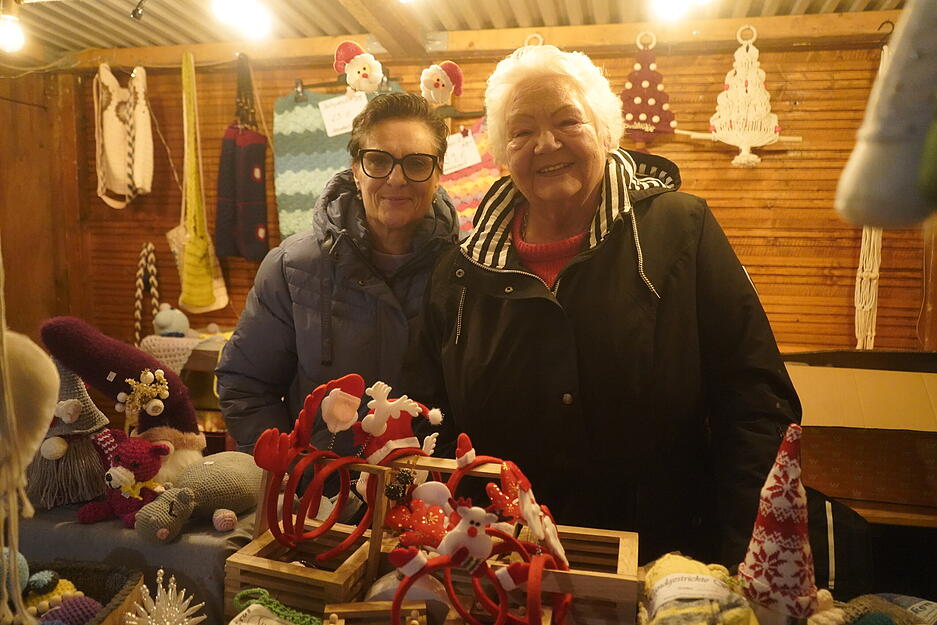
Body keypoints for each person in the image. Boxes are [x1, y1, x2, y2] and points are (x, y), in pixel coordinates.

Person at [403, 45, 801, 567]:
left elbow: (755, 405)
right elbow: (430, 422)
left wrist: (748, 562)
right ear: (502, 152)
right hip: (505, 565)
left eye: (568, 119)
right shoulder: (461, 269)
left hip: (665, 564)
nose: (546, 143)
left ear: (606, 130)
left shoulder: (680, 231)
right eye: (521, 131)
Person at [216, 92, 459, 456]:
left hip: (430, 498)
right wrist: (294, 470)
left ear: (438, 173)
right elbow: (246, 384)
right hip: (319, 499)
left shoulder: (466, 274)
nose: (396, 179)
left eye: (417, 163)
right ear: (356, 170)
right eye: (378, 160)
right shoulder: (292, 267)